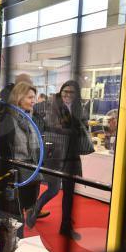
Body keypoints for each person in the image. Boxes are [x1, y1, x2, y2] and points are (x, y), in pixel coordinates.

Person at [26, 80, 87, 240]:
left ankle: (66, 226)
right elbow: (34, 113)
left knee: (69, 193)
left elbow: (83, 127)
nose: (67, 95)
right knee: (53, 189)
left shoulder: (79, 109)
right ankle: (34, 210)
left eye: (71, 92)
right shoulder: (49, 105)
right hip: (54, 153)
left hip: (72, 156)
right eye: (65, 91)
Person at [0, 81, 40, 238]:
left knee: (18, 220)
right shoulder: (7, 119)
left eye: (34, 97)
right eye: (30, 97)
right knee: (14, 222)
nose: (34, 101)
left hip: (27, 175)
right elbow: (3, 151)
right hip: (13, 177)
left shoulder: (28, 118)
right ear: (19, 98)